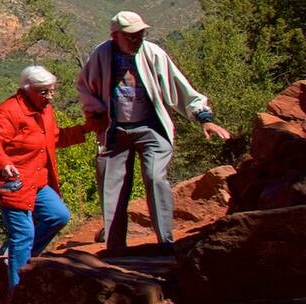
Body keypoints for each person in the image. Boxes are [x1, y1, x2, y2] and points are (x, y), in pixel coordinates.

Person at [76, 11, 231, 254]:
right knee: (112, 185)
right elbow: (85, 86)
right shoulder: (101, 55)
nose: (137, 38)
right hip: (115, 131)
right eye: (131, 35)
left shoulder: (153, 53)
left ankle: (166, 243)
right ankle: (116, 248)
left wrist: (204, 117)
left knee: (155, 177)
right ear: (115, 36)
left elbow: (180, 86)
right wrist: (94, 110)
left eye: (140, 33)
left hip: (151, 127)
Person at [0, 65, 91, 293]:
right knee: (23, 234)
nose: (49, 97)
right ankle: (16, 295)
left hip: (37, 181)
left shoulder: (45, 110)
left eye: (51, 91)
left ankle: (21, 259)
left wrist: (86, 129)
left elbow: (54, 138)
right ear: (27, 89)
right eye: (44, 92)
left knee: (58, 215)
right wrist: (4, 163)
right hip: (13, 184)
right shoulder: (10, 110)